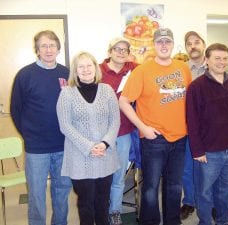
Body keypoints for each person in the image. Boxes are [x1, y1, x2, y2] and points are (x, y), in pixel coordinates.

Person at [119, 28, 192, 225]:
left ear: (172, 43)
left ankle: (172, 221)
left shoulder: (183, 68)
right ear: (154, 44)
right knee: (150, 187)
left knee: (175, 186)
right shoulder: (142, 71)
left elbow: (189, 100)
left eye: (167, 41)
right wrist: (143, 128)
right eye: (160, 42)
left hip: (179, 137)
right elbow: (124, 101)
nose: (164, 45)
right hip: (154, 139)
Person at [10, 30, 72, 225]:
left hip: (63, 146)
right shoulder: (25, 74)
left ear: (58, 49)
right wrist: (29, 134)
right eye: (43, 46)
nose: (48, 49)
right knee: (36, 194)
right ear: (37, 49)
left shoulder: (66, 73)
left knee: (62, 192)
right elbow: (16, 109)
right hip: (36, 148)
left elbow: (74, 106)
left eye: (52, 45)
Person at [56, 51, 120, 225]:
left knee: (102, 201)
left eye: (89, 65)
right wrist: (89, 146)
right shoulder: (67, 93)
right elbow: (65, 126)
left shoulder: (107, 91)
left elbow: (115, 120)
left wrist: (105, 143)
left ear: (96, 68)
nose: (85, 70)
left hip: (105, 155)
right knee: (85, 204)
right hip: (79, 157)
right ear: (75, 71)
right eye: (80, 67)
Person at [186, 43, 228, 225]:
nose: (221, 62)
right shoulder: (196, 87)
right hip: (207, 152)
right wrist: (197, 151)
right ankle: (205, 222)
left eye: (225, 58)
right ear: (207, 60)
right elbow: (192, 122)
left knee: (227, 190)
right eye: (217, 58)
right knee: (204, 192)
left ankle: (224, 221)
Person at [99, 37, 138, 225]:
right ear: (109, 51)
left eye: (125, 49)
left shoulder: (133, 69)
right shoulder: (97, 70)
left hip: (123, 132)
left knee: (119, 174)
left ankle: (114, 210)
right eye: (117, 49)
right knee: (100, 174)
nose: (121, 52)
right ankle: (99, 209)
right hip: (100, 133)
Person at [180, 30, 206, 220]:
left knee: (208, 168)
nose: (193, 46)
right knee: (187, 168)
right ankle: (189, 201)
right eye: (189, 43)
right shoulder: (181, 70)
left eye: (196, 42)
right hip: (187, 127)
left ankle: (208, 202)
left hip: (210, 128)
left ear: (204, 44)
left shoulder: (215, 66)